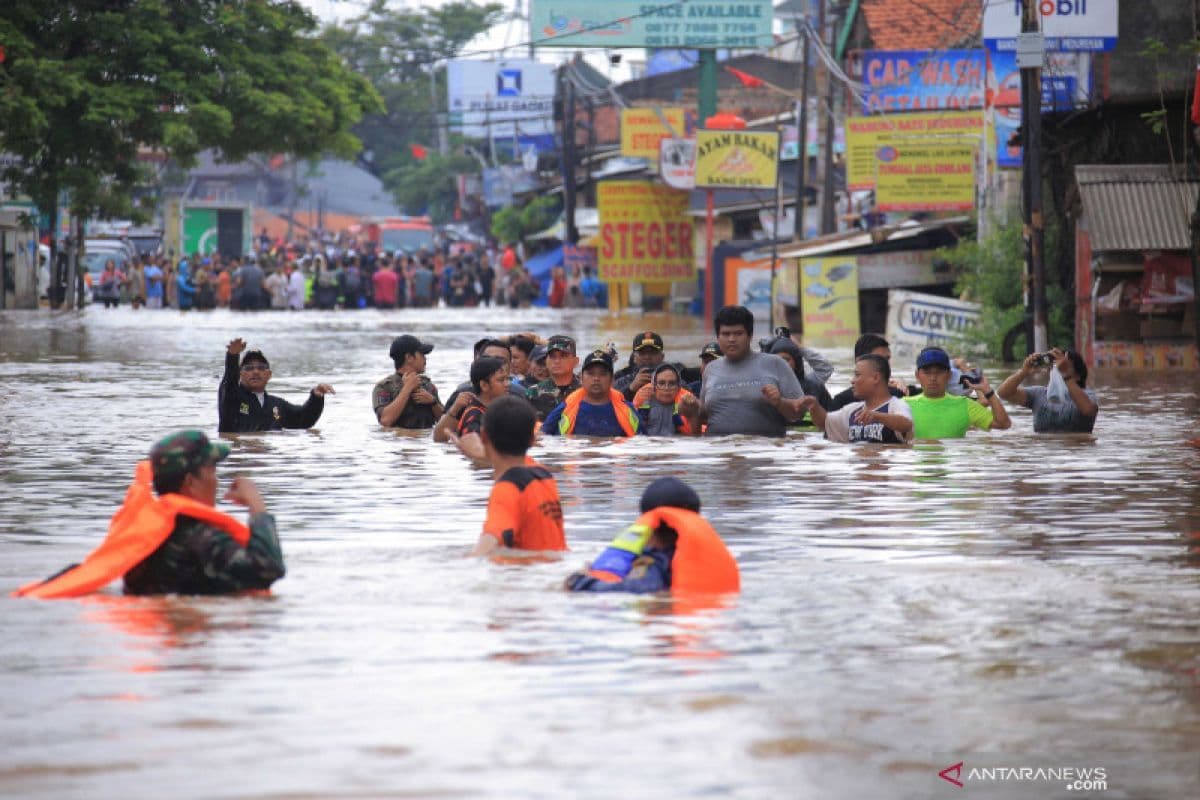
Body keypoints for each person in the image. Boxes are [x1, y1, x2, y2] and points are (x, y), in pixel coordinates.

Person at [12, 430, 285, 598]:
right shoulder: (201, 537)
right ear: (190, 481)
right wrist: (257, 505)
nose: (217, 479)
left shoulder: (143, 535)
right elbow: (267, 568)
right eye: (212, 470)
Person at [563, 477, 739, 595]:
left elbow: (640, 588)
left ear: (648, 523)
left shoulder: (655, 562)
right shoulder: (707, 555)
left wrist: (579, 581)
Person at [683, 305, 806, 437]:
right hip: (717, 451)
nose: (731, 339)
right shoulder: (711, 369)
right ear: (718, 337)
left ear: (750, 335)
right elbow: (704, 415)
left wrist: (780, 402)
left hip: (762, 451)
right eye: (726, 334)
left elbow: (800, 412)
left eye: (738, 333)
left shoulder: (775, 364)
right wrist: (691, 408)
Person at [470, 396, 566, 557]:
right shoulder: (544, 476)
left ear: (484, 437)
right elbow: (515, 464)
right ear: (532, 440)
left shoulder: (507, 489)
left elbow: (488, 543)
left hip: (524, 577)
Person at [218, 339, 333, 433]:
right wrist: (232, 357)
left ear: (269, 375)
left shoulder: (276, 405)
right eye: (249, 368)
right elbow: (229, 383)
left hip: (267, 457)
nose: (256, 372)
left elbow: (303, 420)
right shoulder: (231, 398)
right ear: (240, 374)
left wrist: (316, 397)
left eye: (261, 368)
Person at [905, 346, 1011, 439]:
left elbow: (1003, 424)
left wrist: (989, 392)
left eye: (939, 372)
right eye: (927, 372)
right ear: (917, 375)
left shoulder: (965, 405)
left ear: (949, 375)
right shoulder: (903, 404)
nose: (933, 378)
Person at [807, 355, 913, 444]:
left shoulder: (897, 405)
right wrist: (813, 405)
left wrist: (877, 416)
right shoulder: (851, 410)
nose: (852, 380)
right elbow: (825, 423)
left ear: (876, 378)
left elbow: (906, 424)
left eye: (857, 375)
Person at [997, 347, 1099, 433]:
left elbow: (1088, 410)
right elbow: (1003, 393)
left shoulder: (1088, 395)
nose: (1058, 371)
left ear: (1078, 376)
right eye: (1055, 367)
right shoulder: (1039, 394)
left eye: (1064, 367)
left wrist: (1066, 376)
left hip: (1075, 455)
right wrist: (1024, 372)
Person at [542, 350, 641, 437]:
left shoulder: (628, 410)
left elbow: (642, 442)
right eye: (591, 373)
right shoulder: (566, 407)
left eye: (602, 374)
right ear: (581, 378)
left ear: (612, 380)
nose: (596, 378)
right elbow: (542, 436)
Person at [434, 356, 511, 460]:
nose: (508, 384)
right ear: (484, 385)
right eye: (501, 380)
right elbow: (475, 453)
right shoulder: (474, 415)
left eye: (508, 379)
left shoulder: (497, 410)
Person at [827, 333, 920, 411]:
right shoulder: (842, 401)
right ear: (859, 361)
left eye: (887, 359)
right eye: (880, 360)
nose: (886, 365)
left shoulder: (904, 393)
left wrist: (905, 392)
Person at [373, 334, 444, 429]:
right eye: (422, 354)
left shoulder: (428, 386)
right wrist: (407, 389)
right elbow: (386, 421)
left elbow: (447, 423)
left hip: (425, 442)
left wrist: (433, 402)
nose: (425, 358)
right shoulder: (385, 387)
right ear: (409, 357)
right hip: (397, 443)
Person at [444, 338, 527, 410]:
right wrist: (455, 409)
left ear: (510, 366)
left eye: (502, 361)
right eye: (488, 359)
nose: (495, 364)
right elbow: (441, 428)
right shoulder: (463, 395)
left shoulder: (520, 395)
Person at [767, 336, 832, 411]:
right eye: (777, 360)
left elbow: (825, 368)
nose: (782, 364)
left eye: (786, 360)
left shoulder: (813, 386)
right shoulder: (764, 388)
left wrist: (800, 348)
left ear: (796, 362)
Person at [526, 335, 582, 419]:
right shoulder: (533, 393)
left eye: (563, 356)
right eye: (552, 356)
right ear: (546, 361)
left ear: (575, 361)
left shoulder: (585, 392)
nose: (557, 361)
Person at [632, 364, 698, 436]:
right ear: (654, 386)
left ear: (678, 387)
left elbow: (695, 435)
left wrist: (693, 415)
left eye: (672, 383)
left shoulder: (686, 406)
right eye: (661, 383)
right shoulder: (643, 406)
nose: (666, 388)